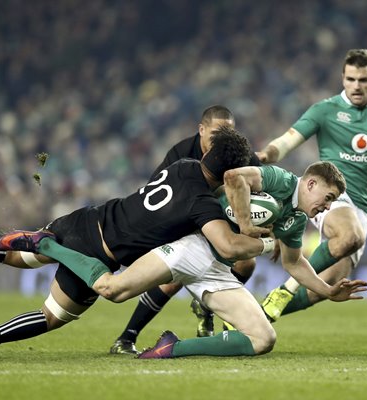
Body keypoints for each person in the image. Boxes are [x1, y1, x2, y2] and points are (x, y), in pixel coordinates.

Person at [0, 126, 270, 357]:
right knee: (51, 317)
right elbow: (226, 246)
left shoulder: (182, 166)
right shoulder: (202, 206)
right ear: (230, 173)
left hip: (87, 218)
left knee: (19, 258)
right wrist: (259, 235)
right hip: (98, 256)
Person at [3, 161, 367, 358]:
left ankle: (169, 348)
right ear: (310, 183)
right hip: (193, 246)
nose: (329, 206)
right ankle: (47, 245)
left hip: (217, 268)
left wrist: (327, 289)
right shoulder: (279, 180)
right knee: (112, 290)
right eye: (329, 196)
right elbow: (233, 177)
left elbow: (293, 263)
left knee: (263, 339)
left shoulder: (296, 219)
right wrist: (243, 222)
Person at [257, 48, 367, 321]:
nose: (356, 86)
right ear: (343, 78)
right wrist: (265, 155)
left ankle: (250, 318)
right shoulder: (325, 110)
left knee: (324, 289)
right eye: (351, 79)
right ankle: (284, 290)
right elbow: (288, 140)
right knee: (350, 235)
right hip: (331, 195)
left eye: (363, 80)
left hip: (361, 209)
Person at [109, 105, 262, 356]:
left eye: (229, 132)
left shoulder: (237, 152)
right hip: (183, 222)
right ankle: (127, 337)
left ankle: (208, 308)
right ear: (201, 130)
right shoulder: (181, 154)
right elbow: (155, 194)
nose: (223, 138)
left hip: (220, 222)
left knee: (247, 264)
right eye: (217, 132)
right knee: (173, 281)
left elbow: (260, 189)